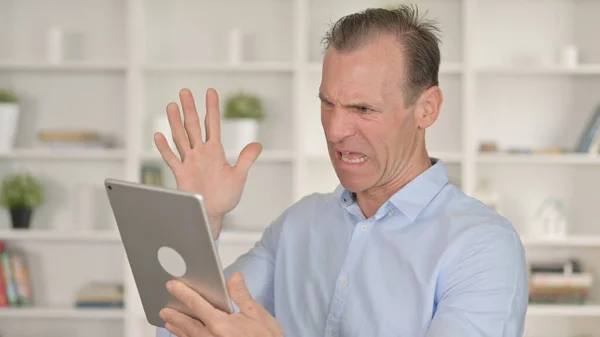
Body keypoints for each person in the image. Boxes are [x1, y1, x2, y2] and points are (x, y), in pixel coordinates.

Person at [155, 5, 528, 337]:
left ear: (426, 109)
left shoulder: (482, 247)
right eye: (327, 103)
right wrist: (201, 218)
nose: (335, 131)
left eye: (363, 109)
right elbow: (180, 328)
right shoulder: (297, 226)